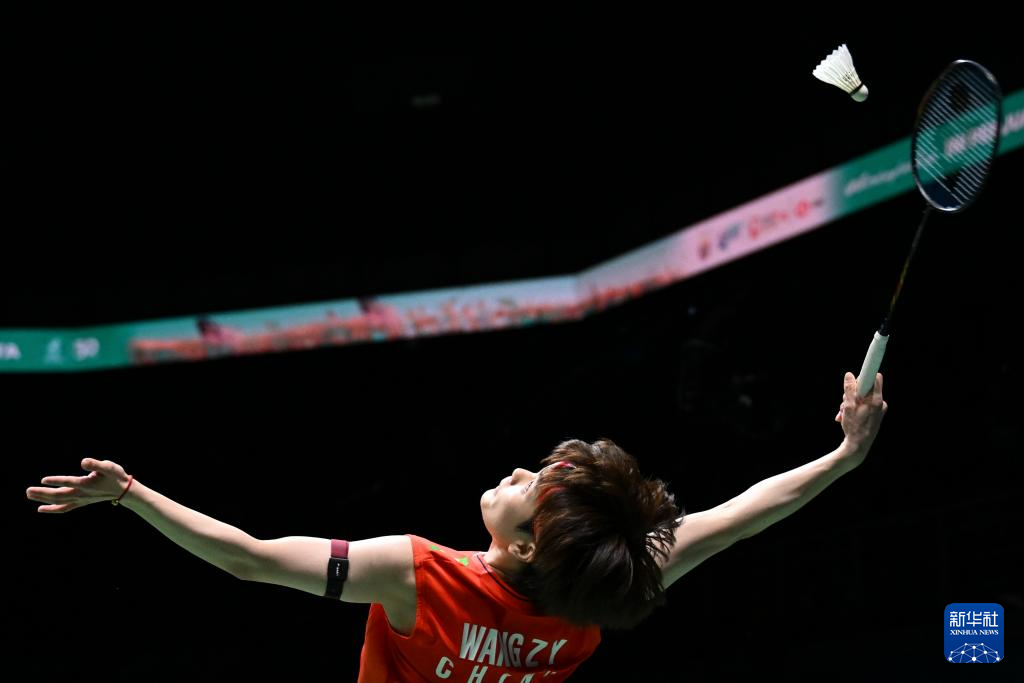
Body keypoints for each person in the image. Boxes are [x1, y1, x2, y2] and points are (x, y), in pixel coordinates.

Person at [26, 372, 887, 682]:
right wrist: (844, 457)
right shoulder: (602, 583)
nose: (518, 472)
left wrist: (133, 493)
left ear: (527, 544)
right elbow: (738, 519)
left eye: (532, 486)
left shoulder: (419, 574)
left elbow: (252, 560)